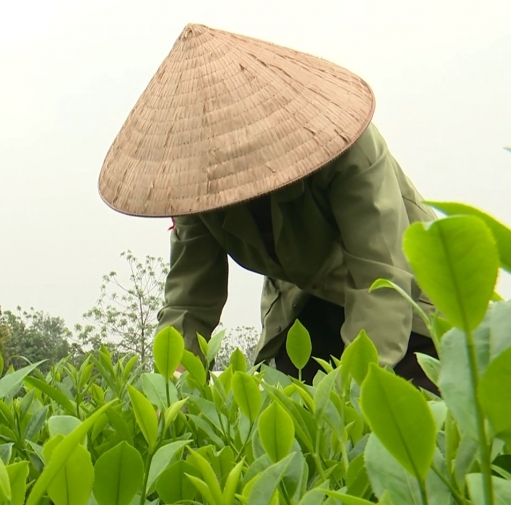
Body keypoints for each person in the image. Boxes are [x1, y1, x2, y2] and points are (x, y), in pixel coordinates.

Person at [97, 24, 438, 393]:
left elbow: (379, 275)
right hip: (306, 306)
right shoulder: (199, 185)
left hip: (409, 301)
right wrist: (171, 387)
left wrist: (351, 395)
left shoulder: (346, 147)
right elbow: (189, 302)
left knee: (397, 418)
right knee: (293, 427)